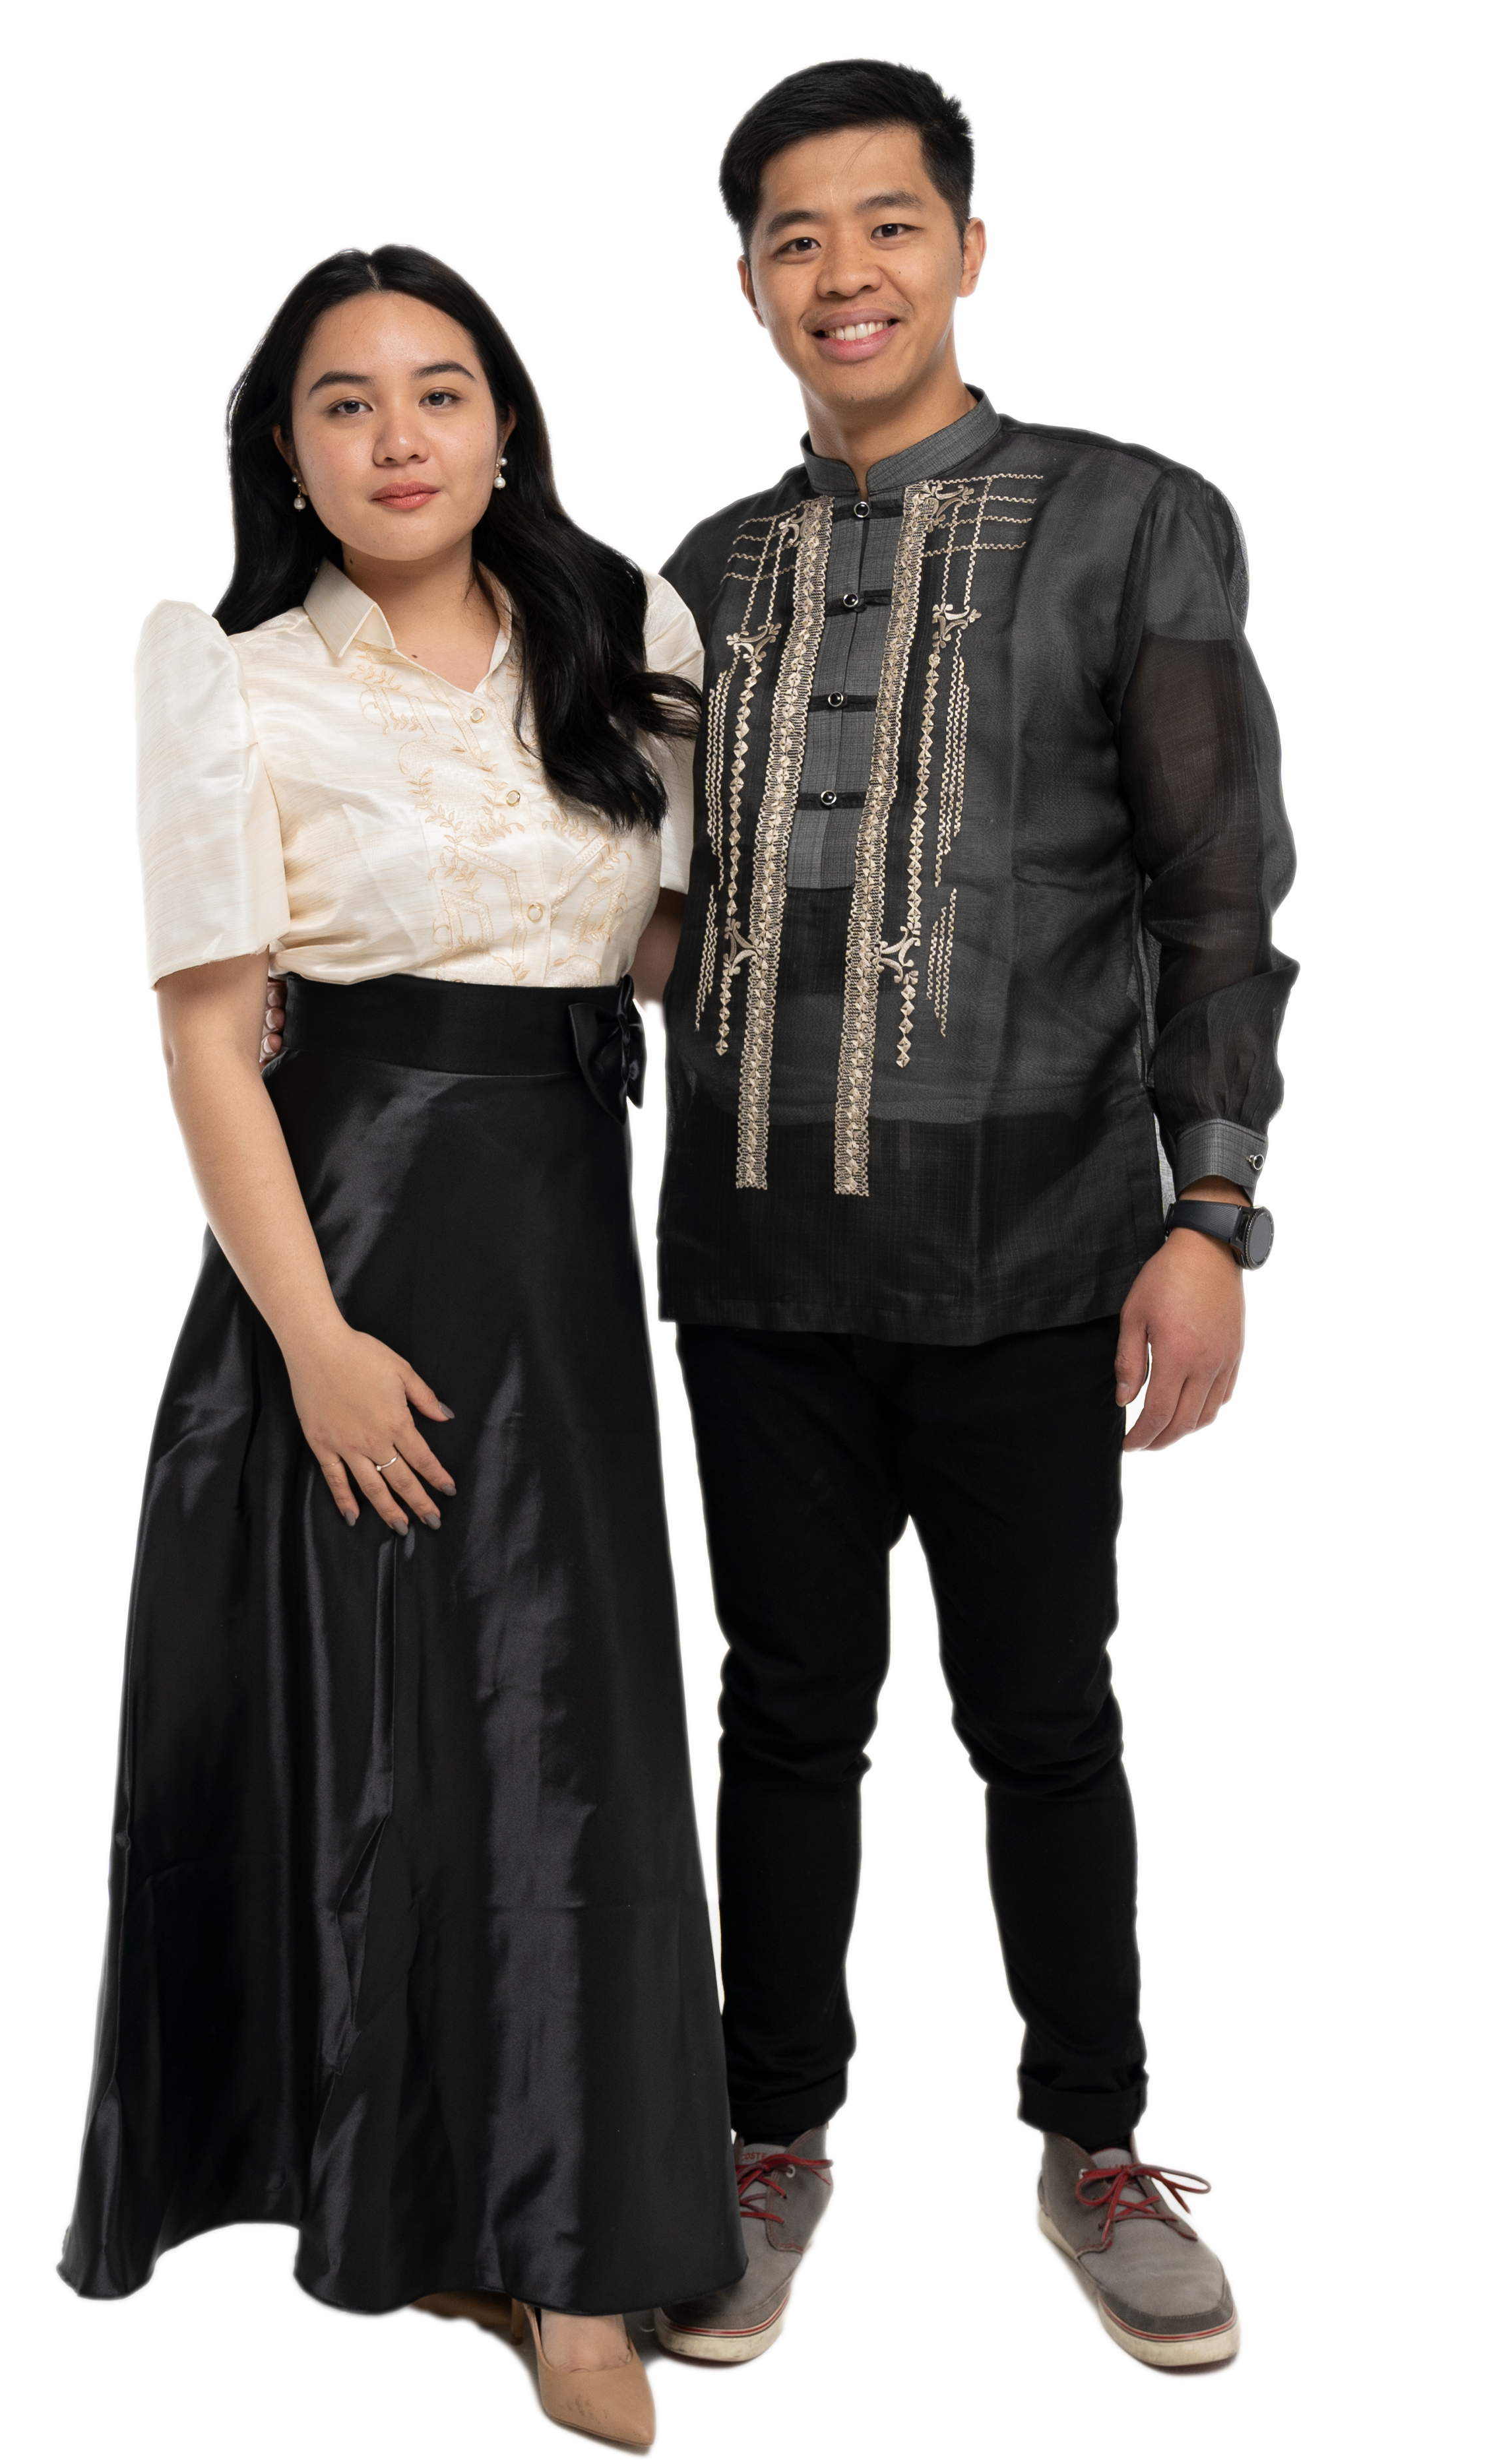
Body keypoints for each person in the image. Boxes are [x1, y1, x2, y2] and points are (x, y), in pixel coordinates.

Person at [641, 61, 1296, 2371]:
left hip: (1033, 1254)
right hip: (756, 1260)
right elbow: (643, 903)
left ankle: (1092, 2139)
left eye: (888, 224)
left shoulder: (1133, 525)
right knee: (783, 1711)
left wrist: (1212, 1209)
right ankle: (762, 2138)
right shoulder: (706, 578)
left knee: (1043, 1715)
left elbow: (1219, 900)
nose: (846, 272)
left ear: (967, 251)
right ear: (749, 283)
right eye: (796, 238)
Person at [58, 243, 743, 2450]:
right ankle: (428, 2203)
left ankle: (575, 2244)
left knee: (568, 1737)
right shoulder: (232, 678)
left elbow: (664, 946)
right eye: (343, 402)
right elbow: (209, 1043)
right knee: (382, 1742)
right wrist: (316, 1344)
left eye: (439, 391)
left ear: (506, 423)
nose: (398, 437)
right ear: (286, 450)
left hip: (558, 1240)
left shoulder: (628, 637)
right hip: (339, 1246)